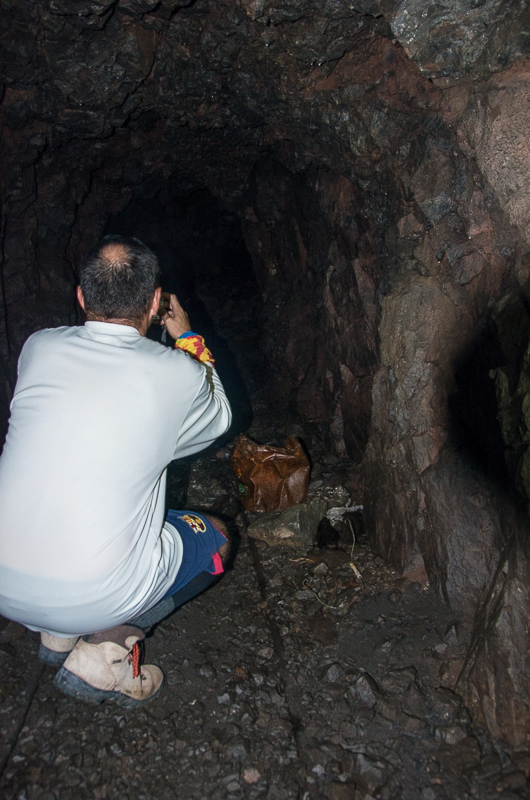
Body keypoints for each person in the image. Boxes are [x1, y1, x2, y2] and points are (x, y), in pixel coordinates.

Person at [0, 235, 232, 707]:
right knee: (219, 539)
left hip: (6, 584)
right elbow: (219, 417)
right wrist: (186, 338)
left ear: (81, 297)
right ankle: (106, 646)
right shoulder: (176, 374)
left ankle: (55, 635)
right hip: (94, 592)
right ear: (154, 302)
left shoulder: (37, 348)